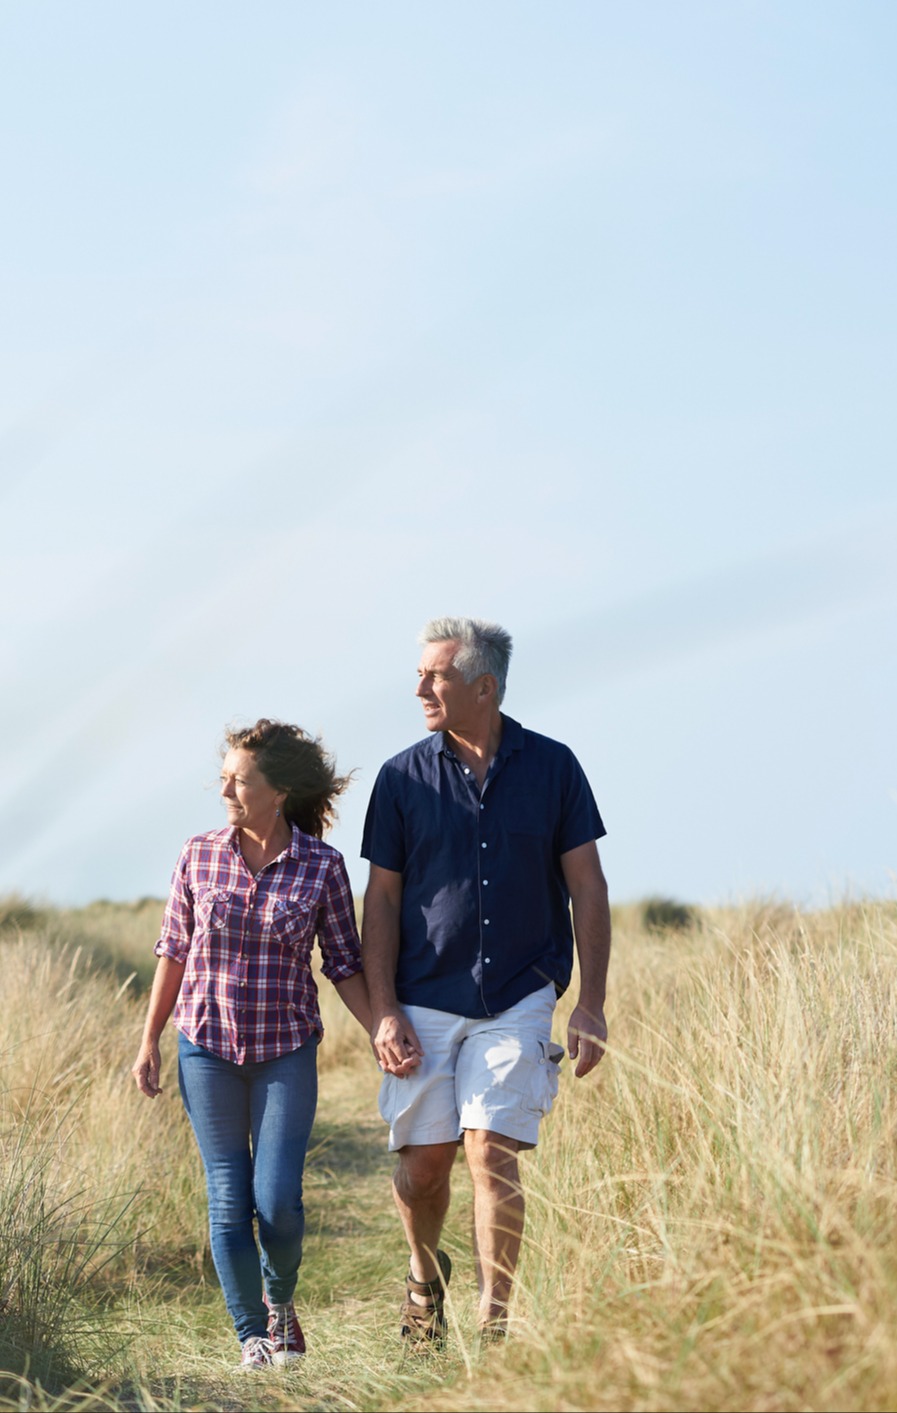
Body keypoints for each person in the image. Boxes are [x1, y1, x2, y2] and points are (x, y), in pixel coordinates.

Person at [361, 616, 611, 1348]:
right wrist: (382, 1010)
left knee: (487, 1148)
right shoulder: (401, 777)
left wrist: (588, 1004)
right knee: (423, 1166)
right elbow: (378, 898)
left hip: (520, 991)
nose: (419, 687)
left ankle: (492, 1321)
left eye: (434, 675)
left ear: (483, 685)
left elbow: (586, 888)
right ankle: (421, 1273)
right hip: (422, 994)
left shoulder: (554, 767)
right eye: (420, 674)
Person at [132, 718, 371, 1372]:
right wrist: (149, 1038)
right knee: (229, 1198)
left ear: (280, 789)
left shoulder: (321, 867)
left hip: (285, 1048)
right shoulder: (198, 853)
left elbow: (344, 962)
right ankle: (252, 1336)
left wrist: (381, 1027)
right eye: (224, 778)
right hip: (205, 1046)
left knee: (277, 1202)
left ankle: (281, 1299)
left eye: (239, 779)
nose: (226, 789)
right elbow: (173, 950)